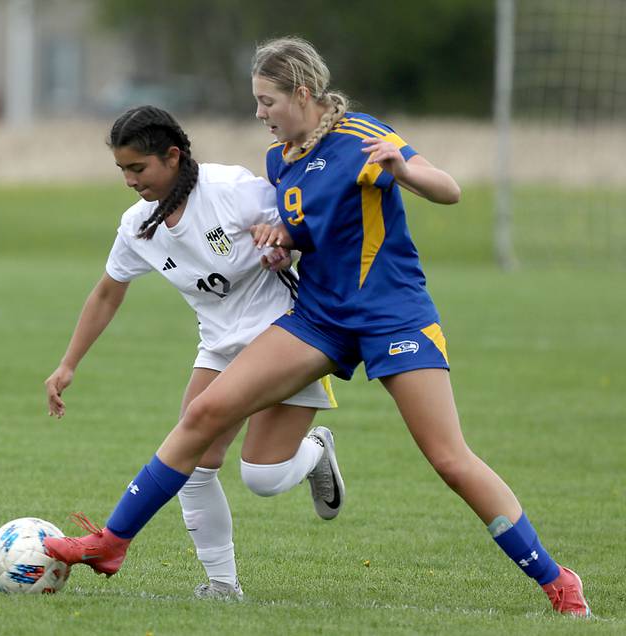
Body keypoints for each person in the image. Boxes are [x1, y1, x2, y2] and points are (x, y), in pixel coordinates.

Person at [45, 39, 590, 617]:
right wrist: (281, 242)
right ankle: (112, 541)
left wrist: (405, 171)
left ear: (301, 93)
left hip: (392, 315)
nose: (259, 114)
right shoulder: (280, 161)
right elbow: (304, 232)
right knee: (203, 416)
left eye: (266, 100)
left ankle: (558, 581)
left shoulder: (360, 136)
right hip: (320, 318)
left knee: (449, 460)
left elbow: (448, 189)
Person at [44, 104, 344, 600]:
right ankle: (223, 586)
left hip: (288, 335)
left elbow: (306, 229)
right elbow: (106, 292)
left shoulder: (231, 191)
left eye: (138, 168)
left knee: (261, 477)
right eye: (122, 170)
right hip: (221, 347)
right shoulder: (140, 225)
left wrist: (283, 243)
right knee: (196, 465)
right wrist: (68, 363)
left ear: (173, 156)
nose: (129, 180)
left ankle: (314, 453)